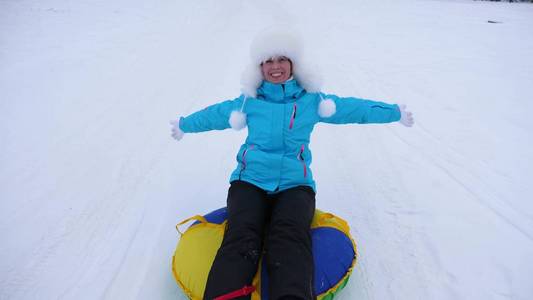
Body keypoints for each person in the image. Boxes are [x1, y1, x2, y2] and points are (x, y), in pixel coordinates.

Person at [170, 28, 414, 300]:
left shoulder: (312, 101)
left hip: (295, 185)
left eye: (282, 59)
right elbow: (214, 115)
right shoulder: (249, 102)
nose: (275, 67)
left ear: (293, 64)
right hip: (249, 182)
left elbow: (354, 109)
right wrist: (184, 124)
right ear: (260, 67)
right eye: (268, 61)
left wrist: (393, 112)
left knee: (289, 238)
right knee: (241, 236)